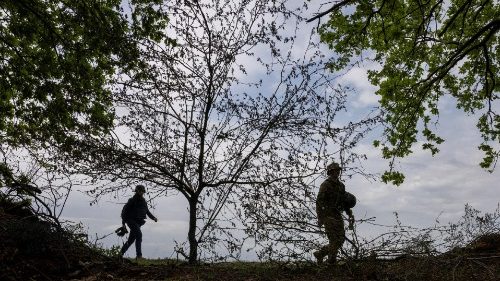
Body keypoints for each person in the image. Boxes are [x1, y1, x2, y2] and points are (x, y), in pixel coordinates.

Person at [314, 162, 355, 265]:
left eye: (338, 170)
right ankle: (331, 262)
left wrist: (349, 213)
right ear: (330, 172)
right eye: (334, 170)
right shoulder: (325, 185)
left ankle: (320, 254)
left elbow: (344, 202)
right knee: (334, 239)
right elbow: (319, 202)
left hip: (337, 215)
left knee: (340, 239)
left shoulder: (341, 186)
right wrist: (320, 218)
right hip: (328, 215)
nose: (337, 172)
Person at [120, 184, 158, 259]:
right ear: (136, 191)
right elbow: (125, 212)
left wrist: (153, 218)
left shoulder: (143, 201)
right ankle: (139, 256)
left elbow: (147, 211)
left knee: (131, 240)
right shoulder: (131, 200)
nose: (141, 193)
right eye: (140, 191)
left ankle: (119, 254)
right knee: (139, 235)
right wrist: (123, 224)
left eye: (142, 191)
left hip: (138, 222)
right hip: (131, 221)